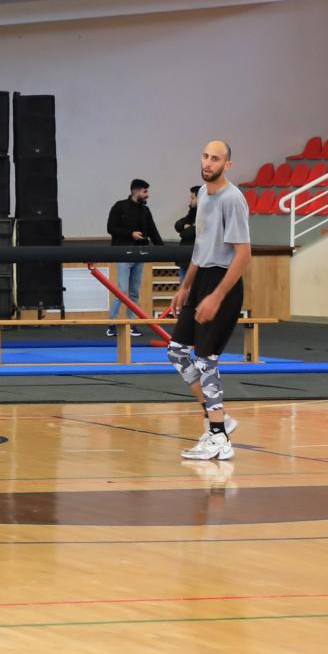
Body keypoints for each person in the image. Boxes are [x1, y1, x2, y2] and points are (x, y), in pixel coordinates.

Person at [166, 141, 254, 463]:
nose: (208, 162)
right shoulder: (203, 195)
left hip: (223, 284)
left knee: (206, 360)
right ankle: (218, 418)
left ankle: (219, 438)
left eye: (215, 158)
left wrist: (216, 296)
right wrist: (185, 287)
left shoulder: (233, 200)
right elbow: (200, 249)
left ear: (227, 165)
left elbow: (243, 254)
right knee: (177, 352)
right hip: (202, 279)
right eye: (205, 156)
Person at [105, 179, 165, 330]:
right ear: (136, 191)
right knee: (122, 291)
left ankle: (131, 325)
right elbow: (111, 228)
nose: (148, 195)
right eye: (145, 192)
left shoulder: (145, 211)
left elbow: (153, 231)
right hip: (123, 254)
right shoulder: (119, 206)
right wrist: (130, 234)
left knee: (134, 293)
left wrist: (164, 250)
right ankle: (112, 323)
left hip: (140, 255)